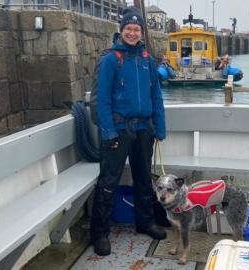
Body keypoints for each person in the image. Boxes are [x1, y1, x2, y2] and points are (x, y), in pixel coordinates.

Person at [91, 6, 166, 256]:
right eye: (128, 28)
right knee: (108, 181)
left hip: (144, 129)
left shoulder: (147, 60)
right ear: (121, 30)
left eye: (136, 29)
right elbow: (101, 100)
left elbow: (156, 96)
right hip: (118, 130)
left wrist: (160, 127)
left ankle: (145, 222)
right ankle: (99, 233)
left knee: (144, 179)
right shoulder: (112, 59)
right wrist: (109, 132)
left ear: (142, 32)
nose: (132, 33)